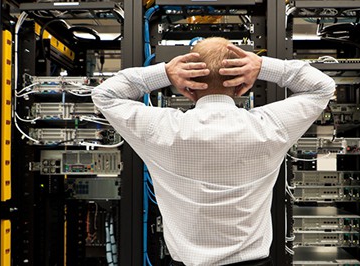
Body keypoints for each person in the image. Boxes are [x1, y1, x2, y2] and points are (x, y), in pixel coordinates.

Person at [92, 37, 335, 266]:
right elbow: (322, 88)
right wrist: (262, 66)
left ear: (188, 87)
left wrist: (165, 73)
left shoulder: (162, 129)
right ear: (242, 84)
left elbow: (105, 94)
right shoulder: (268, 127)